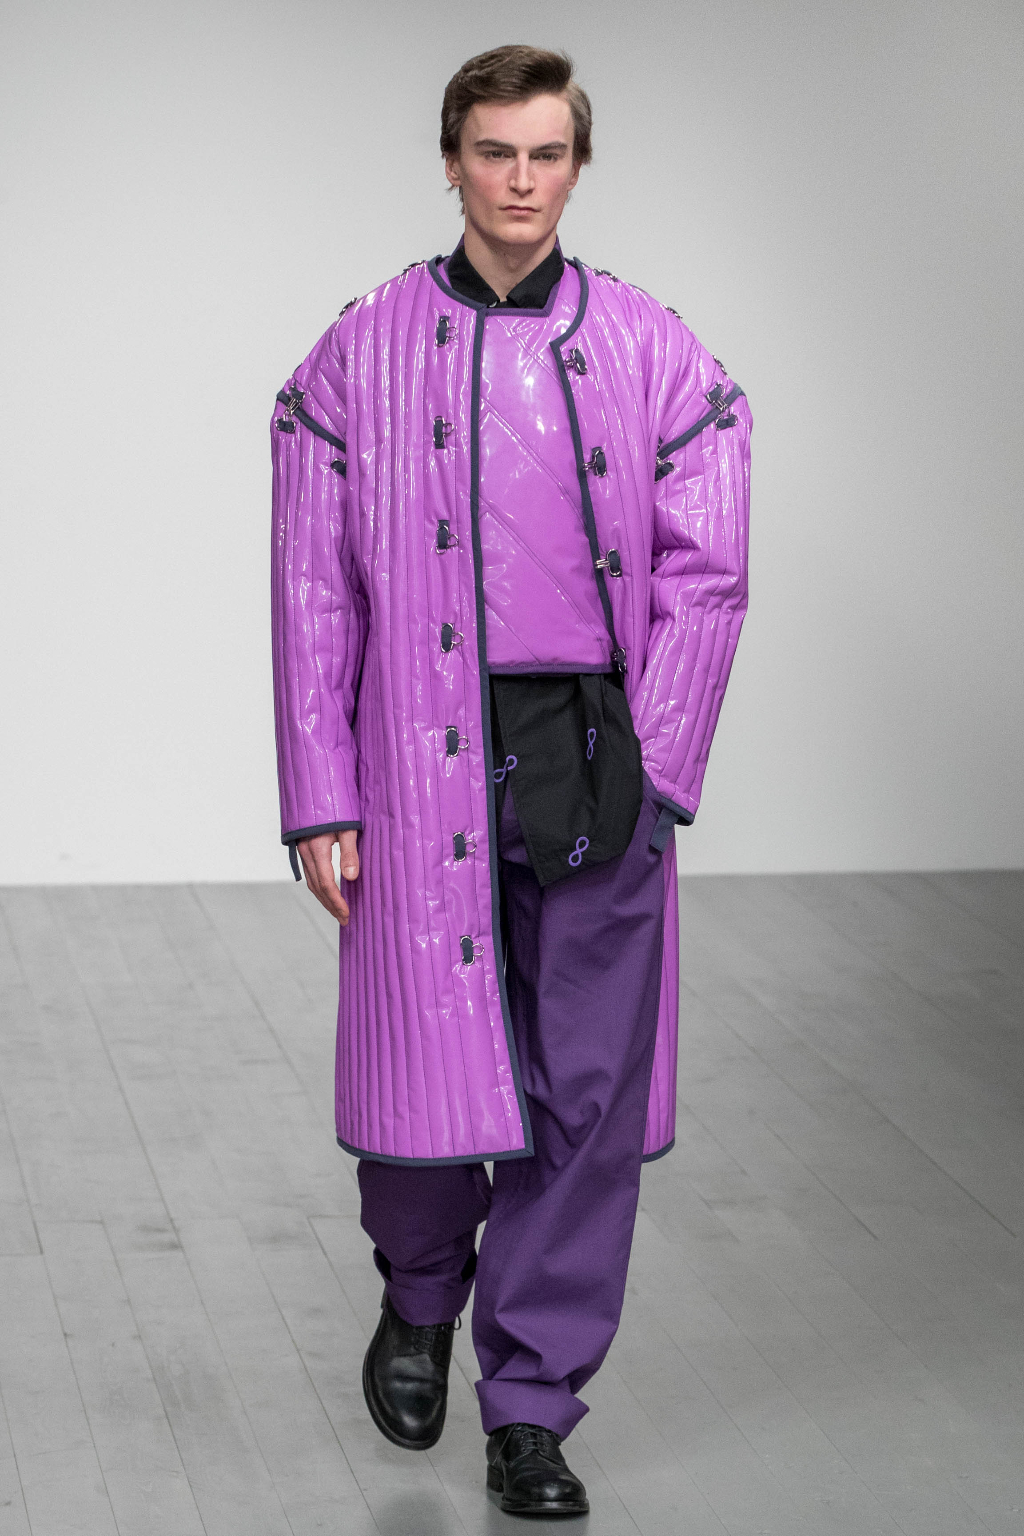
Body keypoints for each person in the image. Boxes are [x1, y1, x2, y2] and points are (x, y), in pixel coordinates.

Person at [270, 44, 750, 1519]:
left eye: (546, 153)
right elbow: (313, 588)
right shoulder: (359, 354)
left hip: (596, 748)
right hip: (420, 752)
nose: (521, 180)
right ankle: (420, 1293)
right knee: (426, 1056)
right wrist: (323, 790)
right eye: (495, 151)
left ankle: (532, 1405)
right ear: (453, 160)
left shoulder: (656, 349)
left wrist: (662, 761)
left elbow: (710, 566)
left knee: (586, 1092)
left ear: (577, 166)